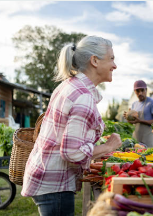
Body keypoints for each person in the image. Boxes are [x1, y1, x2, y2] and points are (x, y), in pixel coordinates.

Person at [21, 36, 122, 216]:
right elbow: (71, 153)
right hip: (54, 185)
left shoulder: (69, 85)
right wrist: (108, 147)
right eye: (112, 58)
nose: (115, 65)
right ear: (95, 61)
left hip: (45, 176)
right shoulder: (83, 97)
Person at [124, 80, 153, 147]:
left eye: (142, 90)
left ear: (146, 90)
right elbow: (133, 122)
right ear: (134, 92)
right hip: (136, 137)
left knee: (148, 156)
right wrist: (127, 117)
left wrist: (140, 121)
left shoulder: (152, 102)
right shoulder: (134, 104)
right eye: (137, 91)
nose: (140, 93)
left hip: (148, 137)